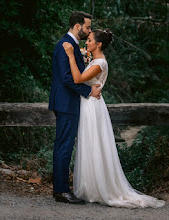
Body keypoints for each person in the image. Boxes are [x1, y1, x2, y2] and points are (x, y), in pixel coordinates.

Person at [62, 29, 166, 208]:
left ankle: (99, 188)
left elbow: (78, 79)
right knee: (88, 144)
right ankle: (89, 187)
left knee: (94, 144)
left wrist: (71, 55)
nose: (86, 43)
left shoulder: (100, 63)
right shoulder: (94, 60)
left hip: (92, 106)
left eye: (89, 40)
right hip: (89, 103)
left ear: (99, 44)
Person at [48, 11, 101, 204]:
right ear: (77, 26)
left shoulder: (71, 45)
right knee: (64, 146)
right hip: (65, 102)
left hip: (67, 102)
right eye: (87, 27)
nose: (89, 31)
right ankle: (61, 191)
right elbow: (67, 78)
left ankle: (60, 189)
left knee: (64, 145)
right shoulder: (65, 46)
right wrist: (88, 92)